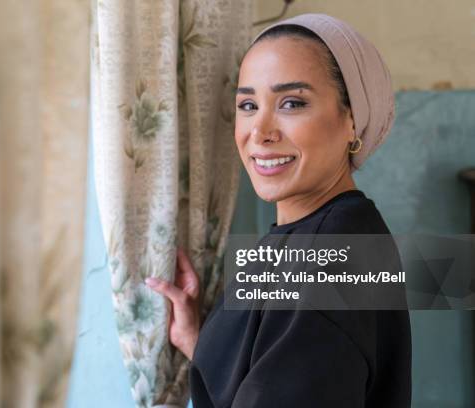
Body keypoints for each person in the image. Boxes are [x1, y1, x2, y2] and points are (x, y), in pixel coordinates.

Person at [145, 13, 412, 407]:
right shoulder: (315, 233)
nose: (260, 130)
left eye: (292, 103)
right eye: (248, 104)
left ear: (352, 119)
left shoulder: (330, 256)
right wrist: (199, 341)